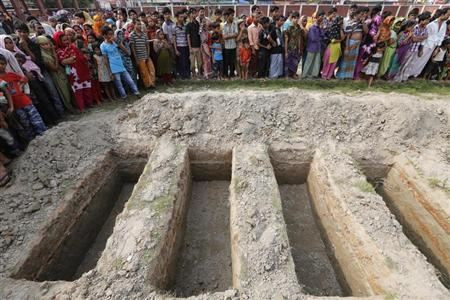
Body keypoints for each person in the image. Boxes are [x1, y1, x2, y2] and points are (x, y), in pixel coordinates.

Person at [0, 54, 46, 140]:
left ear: (6, 64)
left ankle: (44, 135)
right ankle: (34, 140)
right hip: (16, 106)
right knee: (25, 123)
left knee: (36, 119)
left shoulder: (11, 75)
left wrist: (20, 86)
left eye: (3, 64)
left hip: (25, 101)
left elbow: (24, 79)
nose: (1, 66)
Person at [54, 31, 93, 112]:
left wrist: (73, 58)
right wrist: (72, 59)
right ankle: (82, 107)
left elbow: (80, 57)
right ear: (59, 41)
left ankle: (89, 104)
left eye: (67, 39)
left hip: (82, 69)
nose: (66, 42)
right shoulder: (59, 51)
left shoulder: (73, 47)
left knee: (86, 87)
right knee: (78, 90)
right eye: (64, 40)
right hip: (72, 73)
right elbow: (64, 62)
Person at [36, 35, 76, 113]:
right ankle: (70, 108)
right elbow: (55, 68)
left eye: (47, 43)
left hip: (62, 72)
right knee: (64, 92)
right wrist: (55, 55)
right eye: (43, 45)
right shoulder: (44, 56)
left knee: (69, 88)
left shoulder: (51, 51)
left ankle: (74, 105)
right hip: (56, 75)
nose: (46, 46)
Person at [100, 26, 140, 99]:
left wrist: (117, 42)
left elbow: (126, 51)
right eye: (109, 34)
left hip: (120, 64)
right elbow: (105, 60)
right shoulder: (103, 46)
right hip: (113, 66)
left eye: (112, 34)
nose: (111, 36)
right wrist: (110, 71)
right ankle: (124, 96)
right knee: (119, 83)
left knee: (130, 80)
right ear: (104, 35)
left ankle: (136, 92)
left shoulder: (115, 42)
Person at [395, 13, 430, 82]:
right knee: (402, 63)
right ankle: (396, 78)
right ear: (421, 20)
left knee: (409, 65)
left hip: (415, 49)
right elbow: (413, 39)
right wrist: (421, 38)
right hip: (408, 49)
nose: (428, 21)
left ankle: (403, 78)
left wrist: (418, 39)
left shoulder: (425, 29)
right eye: (427, 20)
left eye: (428, 20)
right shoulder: (414, 27)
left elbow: (426, 37)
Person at [336, 8, 367, 79]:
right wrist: (347, 47)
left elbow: (366, 31)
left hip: (357, 44)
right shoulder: (351, 23)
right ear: (356, 15)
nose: (362, 16)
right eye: (361, 14)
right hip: (351, 43)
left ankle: (348, 76)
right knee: (346, 59)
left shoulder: (361, 23)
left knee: (352, 61)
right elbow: (348, 36)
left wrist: (363, 23)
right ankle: (341, 76)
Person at [130, 20, 155, 88]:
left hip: (146, 55)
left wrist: (148, 55)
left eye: (140, 24)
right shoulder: (132, 35)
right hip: (139, 57)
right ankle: (148, 85)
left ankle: (152, 83)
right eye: (138, 24)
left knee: (152, 69)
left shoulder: (144, 34)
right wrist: (136, 59)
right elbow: (133, 48)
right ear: (134, 25)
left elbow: (147, 45)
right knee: (144, 72)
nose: (139, 26)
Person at [303, 11, 325, 78]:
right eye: (321, 16)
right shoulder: (313, 27)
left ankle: (313, 75)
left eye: (323, 17)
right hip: (312, 47)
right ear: (317, 17)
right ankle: (305, 75)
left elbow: (323, 35)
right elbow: (313, 38)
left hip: (318, 47)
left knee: (316, 62)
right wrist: (320, 38)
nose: (322, 18)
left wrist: (321, 28)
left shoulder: (320, 27)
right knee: (309, 62)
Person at [284, 12, 303, 78]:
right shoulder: (289, 28)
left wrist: (300, 48)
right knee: (288, 62)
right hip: (289, 48)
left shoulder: (299, 28)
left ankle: (294, 74)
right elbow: (286, 40)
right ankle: (287, 75)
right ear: (292, 19)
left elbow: (299, 38)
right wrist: (286, 51)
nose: (296, 19)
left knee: (296, 62)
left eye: (297, 18)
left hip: (296, 48)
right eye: (294, 18)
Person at [186, 8, 202, 78]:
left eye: (195, 13)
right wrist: (190, 48)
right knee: (192, 64)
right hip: (192, 47)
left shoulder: (198, 23)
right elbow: (188, 37)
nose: (194, 15)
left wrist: (201, 45)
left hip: (198, 46)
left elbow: (199, 34)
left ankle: (199, 74)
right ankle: (193, 74)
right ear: (189, 15)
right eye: (192, 13)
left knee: (199, 63)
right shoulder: (188, 25)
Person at [173, 11, 190, 79]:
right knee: (180, 61)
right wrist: (176, 49)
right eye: (180, 17)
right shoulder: (174, 27)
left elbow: (187, 37)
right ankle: (182, 75)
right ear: (177, 18)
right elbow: (174, 39)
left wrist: (189, 47)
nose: (182, 18)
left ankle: (187, 74)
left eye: (183, 17)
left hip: (186, 46)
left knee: (186, 60)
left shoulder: (185, 26)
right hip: (179, 46)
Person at [222, 9, 238, 78]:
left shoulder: (235, 24)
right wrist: (232, 35)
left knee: (232, 62)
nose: (233, 17)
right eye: (232, 15)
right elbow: (224, 37)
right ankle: (225, 74)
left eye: (233, 15)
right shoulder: (223, 25)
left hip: (233, 46)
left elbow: (236, 34)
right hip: (226, 47)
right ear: (228, 16)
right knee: (226, 62)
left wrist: (228, 35)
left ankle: (232, 74)